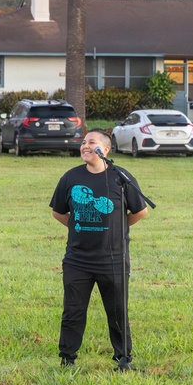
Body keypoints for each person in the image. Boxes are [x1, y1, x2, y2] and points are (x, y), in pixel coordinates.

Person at [50, 129, 148, 369]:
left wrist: (118, 227)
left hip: (113, 259)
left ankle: (123, 358)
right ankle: (67, 358)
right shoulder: (71, 177)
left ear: (105, 149)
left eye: (91, 142)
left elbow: (140, 211)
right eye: (83, 142)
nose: (85, 146)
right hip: (77, 260)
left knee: (117, 312)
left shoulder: (121, 178)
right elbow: (58, 212)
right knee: (73, 311)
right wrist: (78, 225)